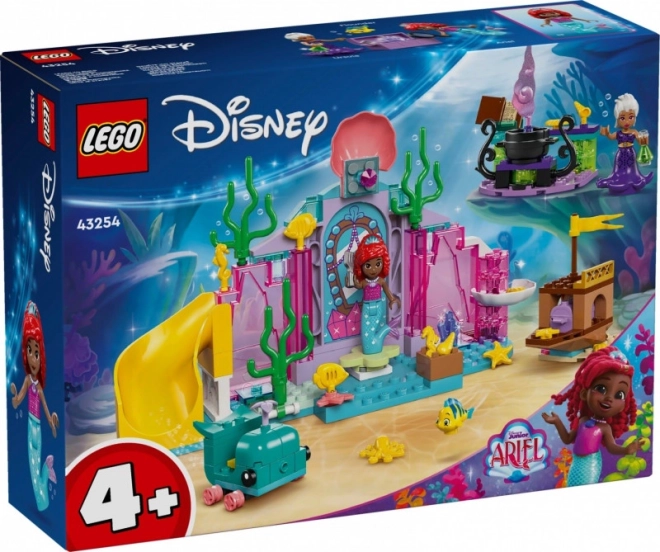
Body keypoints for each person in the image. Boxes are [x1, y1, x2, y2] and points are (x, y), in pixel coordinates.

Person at [542, 346, 639, 486]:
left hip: (591, 463)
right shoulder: (583, 420)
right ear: (584, 393)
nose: (609, 398)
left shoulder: (604, 428)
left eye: (619, 395)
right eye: (601, 388)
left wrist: (626, 449)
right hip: (577, 462)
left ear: (623, 406)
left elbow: (611, 447)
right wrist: (557, 421)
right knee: (572, 485)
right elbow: (568, 439)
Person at [10, 302, 58, 511]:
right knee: (32, 468)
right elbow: (17, 401)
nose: (32, 357)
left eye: (36, 353)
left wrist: (51, 422)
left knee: (32, 467)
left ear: (41, 358)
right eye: (29, 351)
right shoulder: (31, 382)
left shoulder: (34, 384)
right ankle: (45, 484)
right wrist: (14, 396)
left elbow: (42, 406)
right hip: (35, 426)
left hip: (33, 428)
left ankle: (46, 473)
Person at [347, 235, 400, 355]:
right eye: (368, 265)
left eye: (378, 264)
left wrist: (392, 299)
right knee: (366, 331)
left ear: (383, 263)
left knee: (371, 329)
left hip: (378, 306)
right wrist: (354, 280)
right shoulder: (364, 282)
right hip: (367, 307)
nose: (373, 269)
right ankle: (385, 333)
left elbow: (386, 290)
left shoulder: (380, 281)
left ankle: (383, 335)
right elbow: (358, 285)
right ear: (361, 266)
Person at [597, 93, 654, 194]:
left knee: (632, 169)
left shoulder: (634, 132)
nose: (627, 121)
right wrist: (607, 133)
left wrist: (644, 140)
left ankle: (634, 180)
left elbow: (641, 142)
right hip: (620, 153)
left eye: (631, 117)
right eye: (623, 118)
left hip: (630, 153)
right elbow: (611, 137)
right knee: (619, 169)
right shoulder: (618, 133)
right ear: (618, 119)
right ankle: (618, 181)